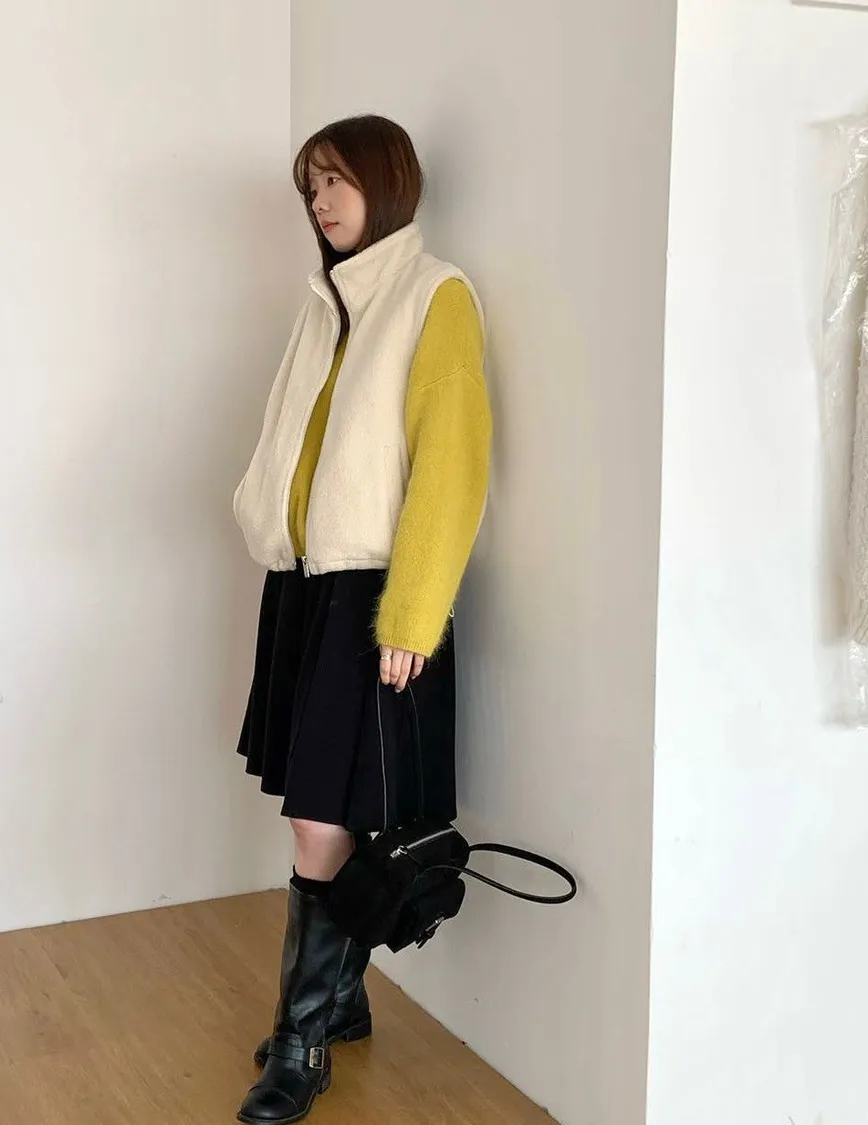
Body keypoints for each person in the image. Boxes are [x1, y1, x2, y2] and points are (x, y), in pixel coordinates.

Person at [231, 114, 492, 1124]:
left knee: (320, 817)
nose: (322, 201)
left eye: (336, 180)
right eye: (311, 187)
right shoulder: (327, 302)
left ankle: (303, 1039)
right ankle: (336, 1004)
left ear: (387, 182)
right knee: (317, 808)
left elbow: (452, 466)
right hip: (307, 584)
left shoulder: (434, 294)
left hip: (375, 591)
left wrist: (412, 617)